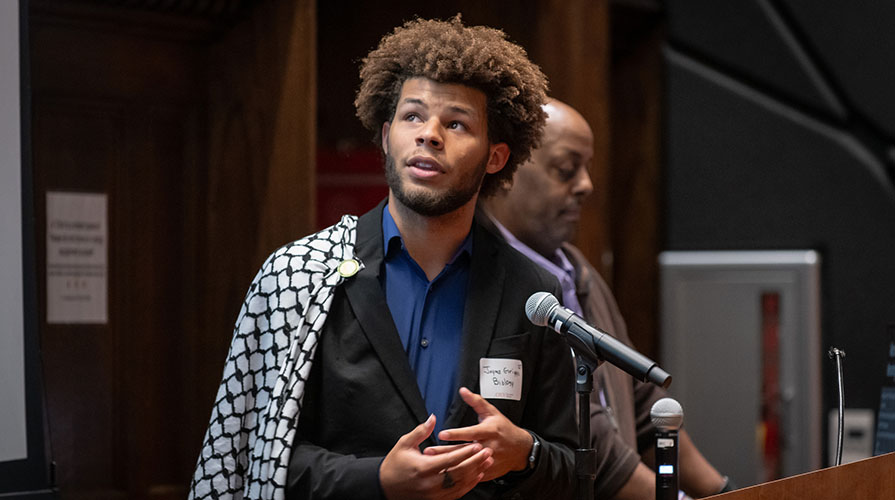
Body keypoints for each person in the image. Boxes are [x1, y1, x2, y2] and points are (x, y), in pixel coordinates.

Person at [189, 17, 578, 500]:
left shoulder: (532, 290)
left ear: (495, 158)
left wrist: (526, 454)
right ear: (387, 133)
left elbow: (573, 468)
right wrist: (376, 481)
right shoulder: (300, 275)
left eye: (456, 123)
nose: (429, 135)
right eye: (413, 116)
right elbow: (257, 457)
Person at [480, 98, 733, 499]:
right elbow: (595, 442)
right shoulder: (491, 281)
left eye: (587, 168)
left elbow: (644, 405)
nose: (586, 185)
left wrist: (724, 490)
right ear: (508, 170)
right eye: (567, 169)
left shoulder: (577, 270)